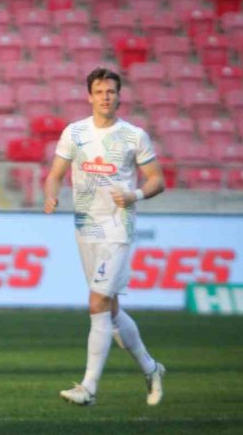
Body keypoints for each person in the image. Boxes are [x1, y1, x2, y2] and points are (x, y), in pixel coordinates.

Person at [44, 67, 166, 407]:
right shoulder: (75, 132)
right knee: (109, 310)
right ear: (90, 96)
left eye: (111, 91)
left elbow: (157, 179)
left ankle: (89, 387)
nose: (106, 97)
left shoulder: (134, 136)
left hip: (118, 227)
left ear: (119, 95)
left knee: (96, 303)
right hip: (86, 226)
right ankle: (151, 368)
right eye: (99, 92)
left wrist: (135, 195)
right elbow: (54, 174)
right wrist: (50, 195)